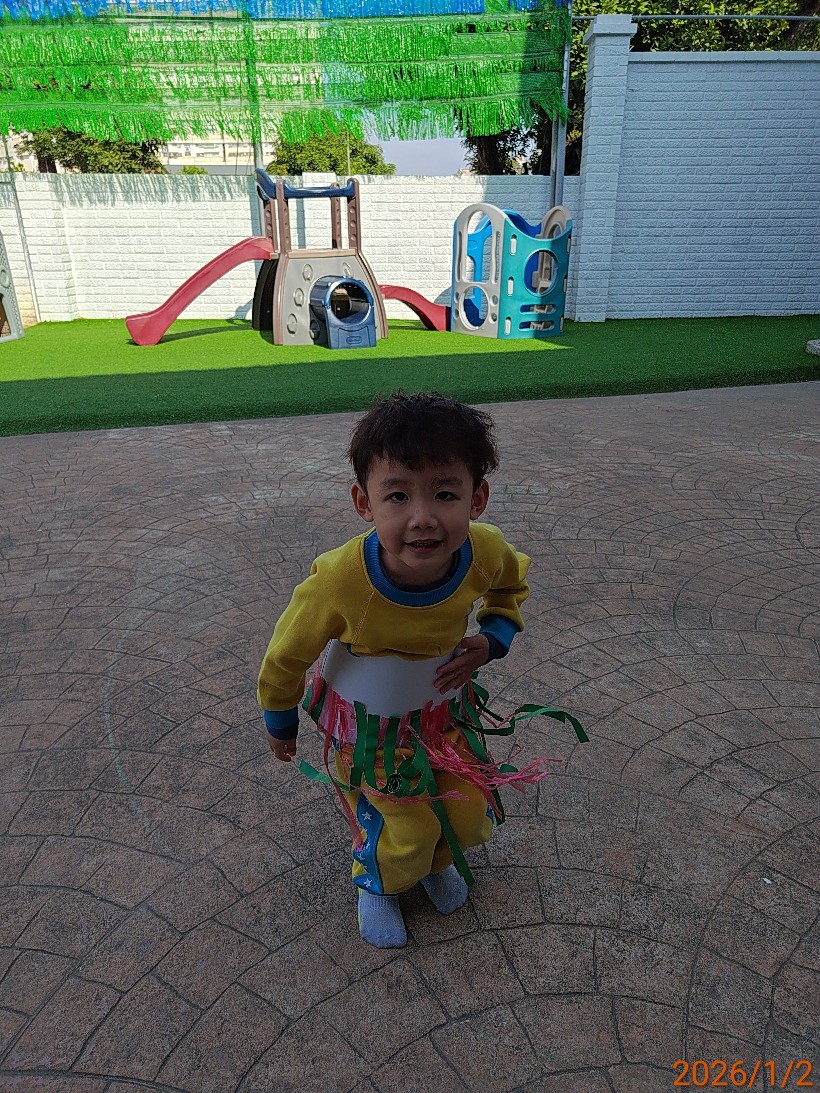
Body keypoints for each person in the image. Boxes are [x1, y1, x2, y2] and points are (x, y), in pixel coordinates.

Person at [258, 391, 578, 948]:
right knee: (405, 825)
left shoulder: (485, 552)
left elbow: (508, 586)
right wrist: (279, 719)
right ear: (365, 503)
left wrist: (494, 638)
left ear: (478, 498)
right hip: (370, 736)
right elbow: (286, 654)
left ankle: (435, 861)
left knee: (467, 811)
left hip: (442, 720)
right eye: (398, 495)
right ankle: (379, 883)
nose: (423, 518)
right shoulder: (340, 581)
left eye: (445, 493)